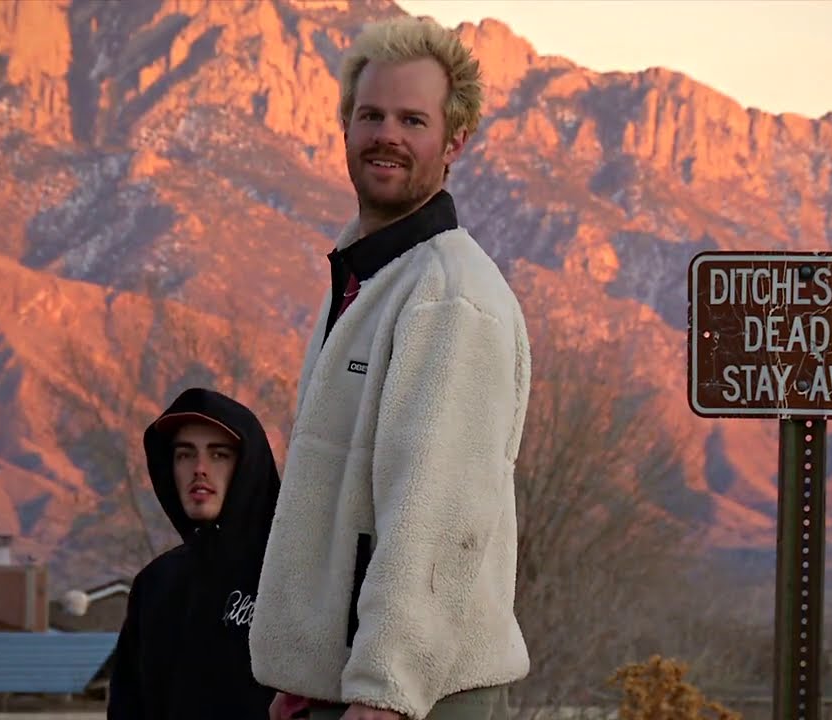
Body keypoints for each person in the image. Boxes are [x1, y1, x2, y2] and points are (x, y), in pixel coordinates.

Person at [248, 14, 532, 720]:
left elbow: (436, 511)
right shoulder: (368, 278)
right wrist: (307, 667)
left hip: (420, 694)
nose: (387, 136)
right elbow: (339, 502)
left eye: (413, 119)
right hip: (354, 682)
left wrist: (387, 687)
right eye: (371, 114)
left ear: (453, 142)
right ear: (345, 125)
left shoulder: (450, 297)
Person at [107, 387, 282, 719]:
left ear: (248, 465)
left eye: (218, 454)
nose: (199, 468)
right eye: (184, 454)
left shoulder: (290, 573)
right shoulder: (156, 584)